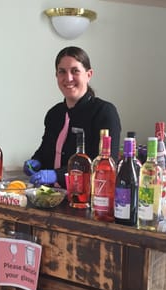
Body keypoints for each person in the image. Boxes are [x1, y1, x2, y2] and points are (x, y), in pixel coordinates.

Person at [24, 46, 121, 188]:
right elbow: (45, 151)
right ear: (56, 76)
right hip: (51, 196)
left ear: (89, 75)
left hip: (86, 198)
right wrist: (36, 162)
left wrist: (56, 175)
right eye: (62, 72)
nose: (68, 78)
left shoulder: (105, 112)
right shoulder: (54, 114)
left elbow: (102, 165)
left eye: (75, 71)